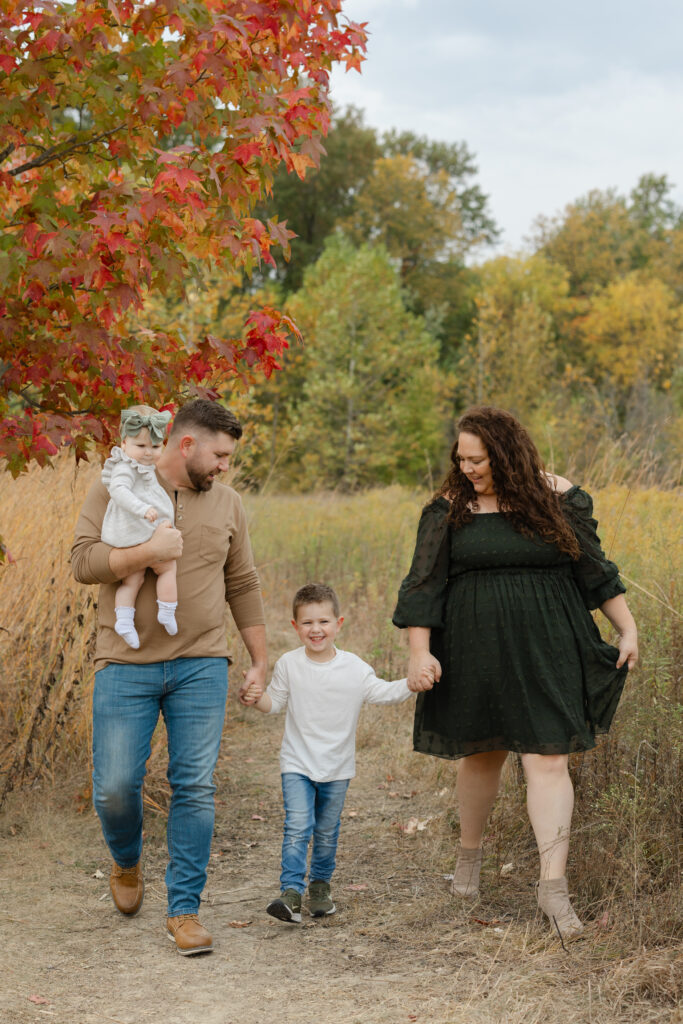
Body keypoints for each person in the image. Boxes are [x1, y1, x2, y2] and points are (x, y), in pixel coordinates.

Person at [392, 406, 638, 940]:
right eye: (461, 459)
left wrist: (627, 627)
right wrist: (419, 652)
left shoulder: (560, 499)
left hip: (549, 645)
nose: (468, 468)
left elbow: (594, 569)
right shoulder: (449, 509)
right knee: (482, 753)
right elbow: (422, 587)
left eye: (477, 459)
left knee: (547, 758)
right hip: (474, 646)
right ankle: (469, 861)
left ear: (505, 454)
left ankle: (553, 890)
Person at [71, 399, 267, 956]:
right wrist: (145, 552)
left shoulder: (227, 504)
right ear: (187, 445)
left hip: (202, 663)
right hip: (124, 663)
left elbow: (243, 582)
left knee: (195, 786)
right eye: (220, 454)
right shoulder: (115, 487)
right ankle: (127, 862)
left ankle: (184, 910)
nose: (226, 465)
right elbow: (83, 562)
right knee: (113, 789)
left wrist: (258, 658)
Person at [243, 582, 433, 923]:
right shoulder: (289, 664)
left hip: (337, 767)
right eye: (307, 623)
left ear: (339, 624)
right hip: (297, 764)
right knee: (298, 825)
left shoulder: (354, 668)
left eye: (323, 622)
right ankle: (290, 893)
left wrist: (410, 683)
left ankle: (319, 889)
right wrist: (256, 697)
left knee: (327, 831)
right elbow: (275, 705)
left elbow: (382, 693)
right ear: (295, 627)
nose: (316, 630)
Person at [101, 405, 177, 649]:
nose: (148, 453)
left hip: (145, 528)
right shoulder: (125, 466)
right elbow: (119, 491)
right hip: (133, 529)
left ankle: (166, 610)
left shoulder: (145, 467)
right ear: (124, 444)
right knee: (135, 579)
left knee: (163, 570)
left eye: (155, 447)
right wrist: (142, 509)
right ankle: (125, 620)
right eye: (141, 446)